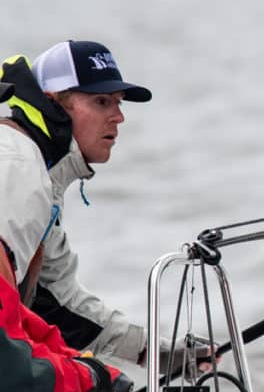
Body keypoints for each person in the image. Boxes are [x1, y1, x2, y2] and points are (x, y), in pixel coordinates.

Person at [0, 228, 249, 392]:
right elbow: (22, 379)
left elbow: (30, 334)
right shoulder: (26, 204)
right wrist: (91, 378)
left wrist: (111, 380)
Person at [0, 40, 175, 368]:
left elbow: (59, 304)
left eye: (119, 102)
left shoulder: (37, 170)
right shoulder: (18, 164)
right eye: (102, 101)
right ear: (54, 104)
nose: (119, 116)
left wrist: (153, 352)